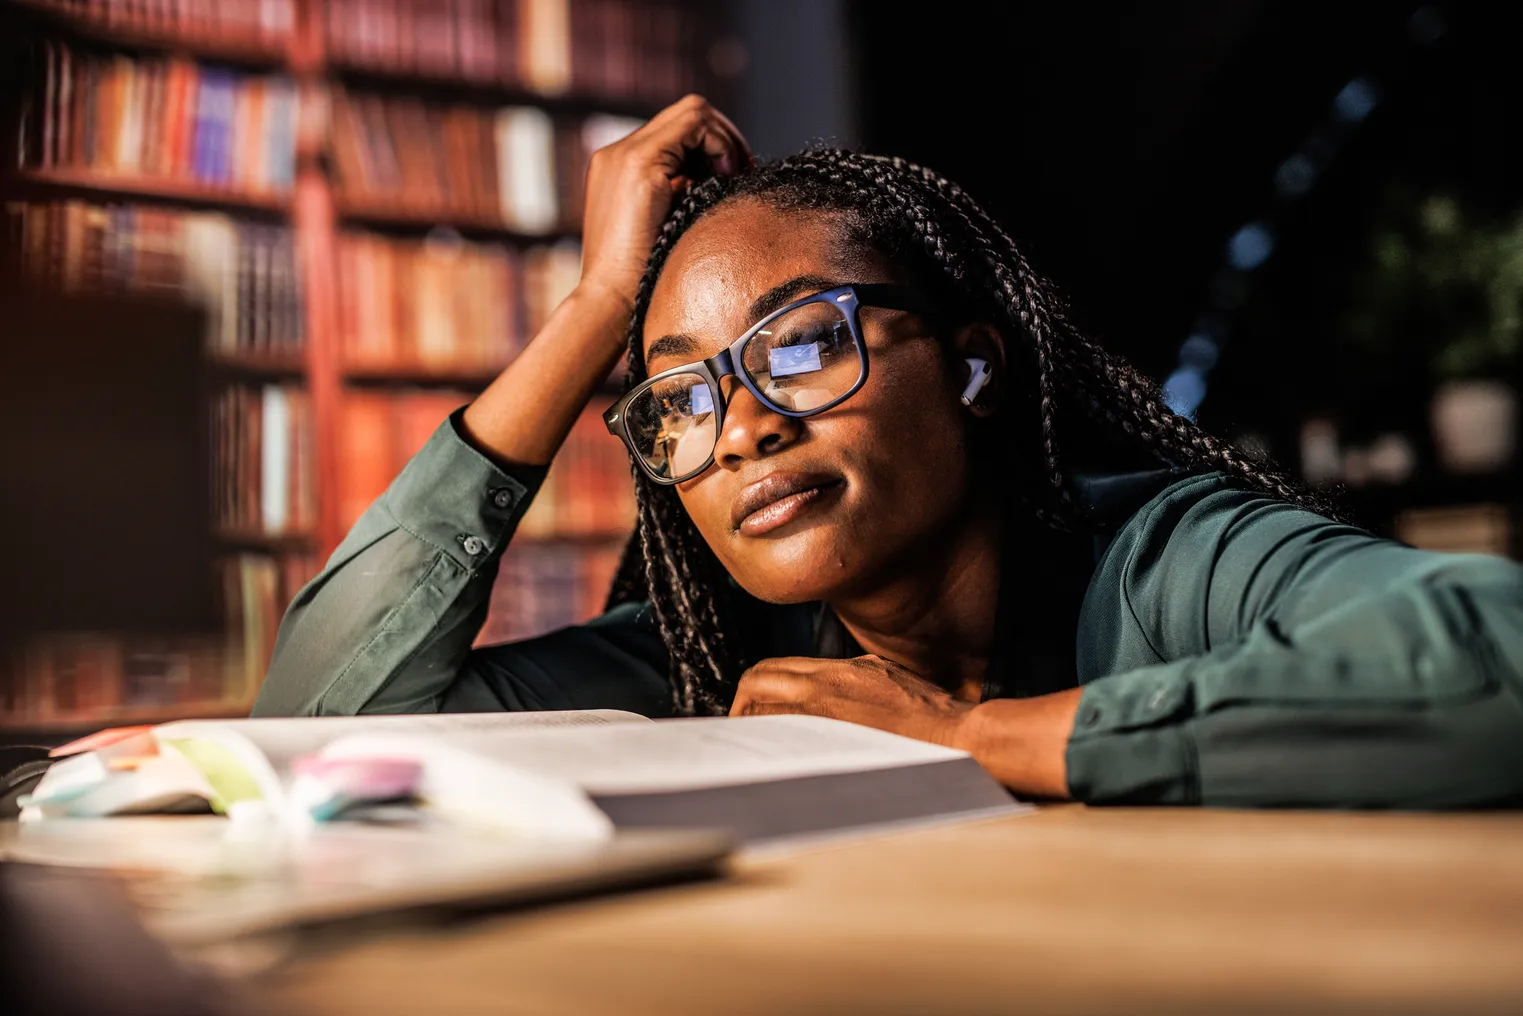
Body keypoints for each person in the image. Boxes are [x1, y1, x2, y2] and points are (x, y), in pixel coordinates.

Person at [254, 96, 1523, 807]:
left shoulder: (1165, 562)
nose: (743, 423)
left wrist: (986, 736)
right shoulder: (713, 662)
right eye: (678, 401)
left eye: (800, 347)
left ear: (972, 364)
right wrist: (591, 313)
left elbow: (1498, 655)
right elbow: (307, 724)